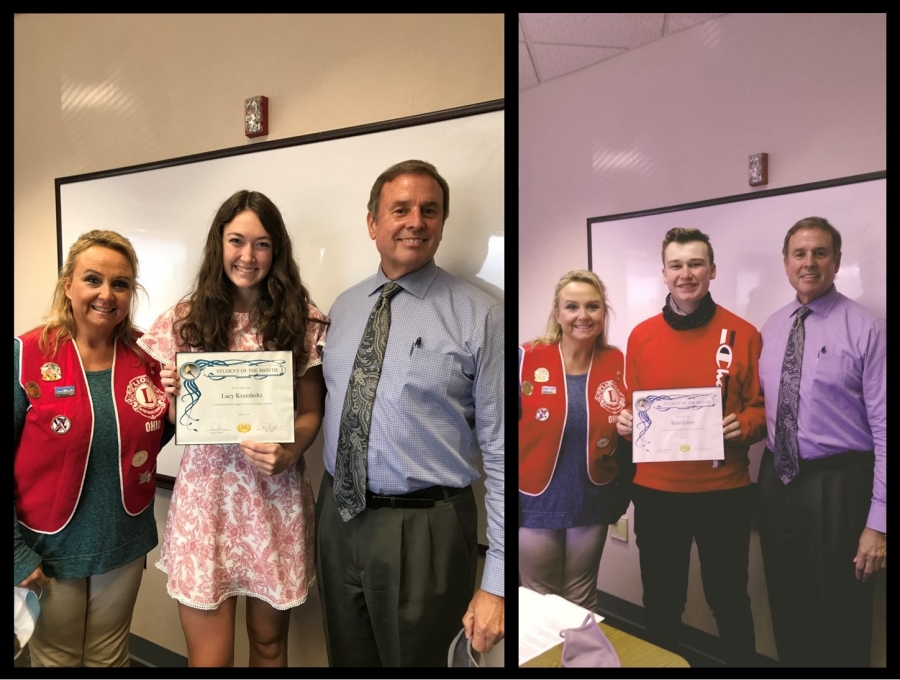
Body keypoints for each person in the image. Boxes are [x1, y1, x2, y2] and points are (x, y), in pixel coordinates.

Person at [317, 159, 504, 667]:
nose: (415, 221)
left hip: (426, 530)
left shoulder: (480, 314)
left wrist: (498, 581)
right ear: (373, 223)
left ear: (442, 222)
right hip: (338, 515)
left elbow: (503, 450)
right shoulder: (345, 307)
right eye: (399, 209)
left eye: (429, 210)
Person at [137, 190, 328, 667]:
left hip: (274, 500)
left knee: (268, 648)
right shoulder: (185, 319)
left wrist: (291, 449)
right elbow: (162, 416)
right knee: (210, 659)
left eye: (262, 244)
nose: (248, 256)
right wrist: (174, 392)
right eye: (237, 241)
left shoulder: (301, 318)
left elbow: (310, 412)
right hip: (208, 501)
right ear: (218, 244)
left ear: (277, 250)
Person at [14, 230, 173, 667]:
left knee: (109, 658)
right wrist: (15, 553)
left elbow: (155, 431)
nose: (106, 294)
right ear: (68, 285)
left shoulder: (149, 357)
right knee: (57, 660)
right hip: (47, 547)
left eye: (120, 284)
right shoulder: (25, 355)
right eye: (93, 280)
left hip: (122, 539)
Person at [616, 228, 764, 666]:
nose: (687, 274)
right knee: (661, 604)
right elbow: (633, 405)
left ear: (712, 270)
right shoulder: (641, 336)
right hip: (658, 494)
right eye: (677, 265)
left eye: (696, 264)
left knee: (730, 601)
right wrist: (626, 422)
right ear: (663, 273)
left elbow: (761, 409)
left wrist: (747, 424)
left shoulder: (744, 333)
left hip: (725, 493)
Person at [757, 217, 885, 668]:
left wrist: (878, 523)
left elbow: (886, 429)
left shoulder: (868, 328)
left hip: (840, 485)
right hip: (777, 479)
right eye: (799, 254)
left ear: (836, 261)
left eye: (820, 253)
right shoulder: (772, 327)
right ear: (786, 263)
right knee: (786, 602)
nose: (809, 263)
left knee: (842, 610)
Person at [518, 270, 633, 612]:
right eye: (572, 307)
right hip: (535, 498)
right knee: (539, 601)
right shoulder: (526, 358)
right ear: (557, 313)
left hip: (592, 495)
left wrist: (631, 426)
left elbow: (632, 422)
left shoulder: (618, 362)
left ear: (603, 312)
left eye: (592, 306)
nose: (583, 316)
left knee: (581, 598)